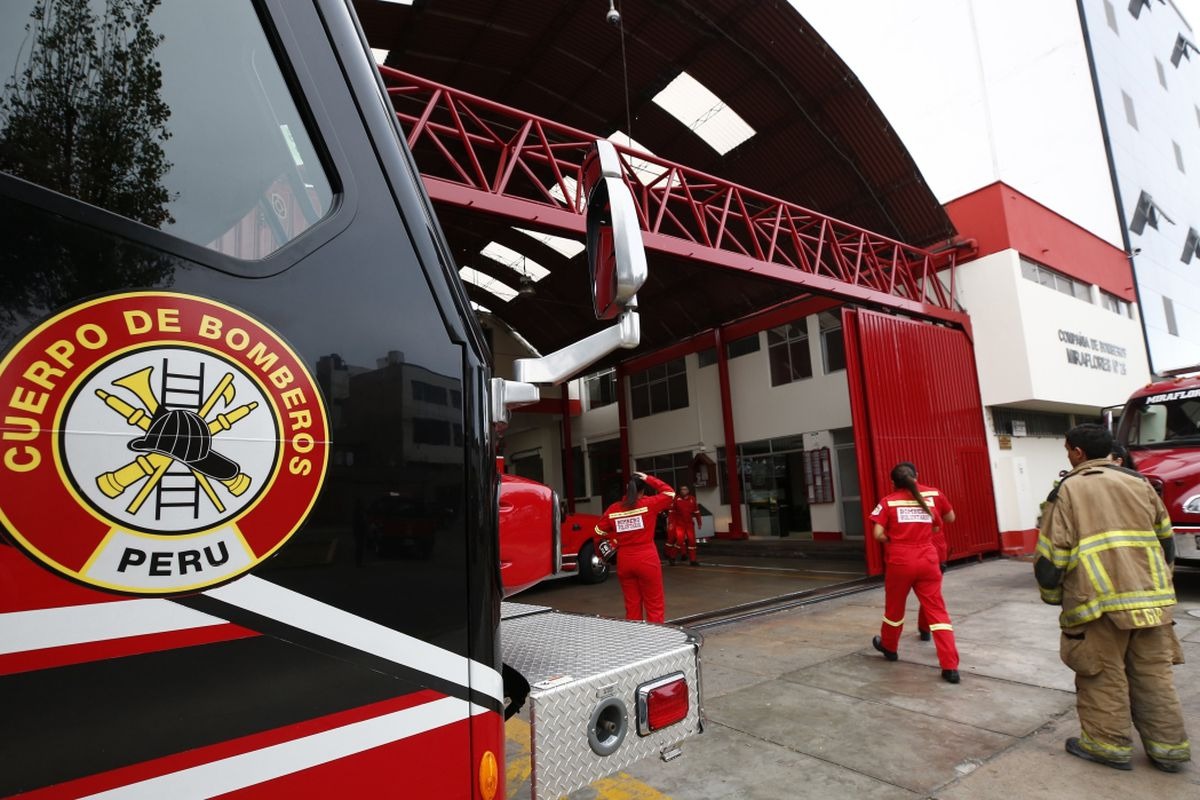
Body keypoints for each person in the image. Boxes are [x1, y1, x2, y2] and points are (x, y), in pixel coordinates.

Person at [1034, 423, 1189, 773]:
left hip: (1098, 607)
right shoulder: (1140, 483)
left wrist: (1052, 595)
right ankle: (1169, 750)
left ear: (1077, 453)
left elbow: (1051, 557)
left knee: (1102, 676)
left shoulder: (1069, 490)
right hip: (1152, 603)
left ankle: (1107, 745)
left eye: (1068, 451)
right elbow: (1166, 541)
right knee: (1154, 677)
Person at [868, 461, 960, 683]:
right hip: (929, 559)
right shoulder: (933, 496)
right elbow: (945, 521)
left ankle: (890, 647)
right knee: (938, 612)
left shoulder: (888, 502)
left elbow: (877, 534)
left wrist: (895, 539)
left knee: (894, 608)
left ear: (893, 483)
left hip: (900, 560)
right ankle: (950, 667)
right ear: (916, 476)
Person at [595, 471, 676, 623]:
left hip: (624, 560)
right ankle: (657, 641)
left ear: (627, 488)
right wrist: (648, 478)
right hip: (647, 559)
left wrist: (603, 553)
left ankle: (635, 641)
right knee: (654, 605)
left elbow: (598, 531)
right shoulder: (649, 505)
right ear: (643, 490)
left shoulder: (613, 509)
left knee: (632, 606)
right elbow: (670, 493)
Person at [665, 483, 702, 566]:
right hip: (679, 524)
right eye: (682, 489)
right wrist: (670, 523)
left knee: (692, 542)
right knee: (679, 542)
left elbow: (697, 512)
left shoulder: (692, 499)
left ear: (688, 491)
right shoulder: (676, 499)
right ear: (680, 491)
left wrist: (699, 522)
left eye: (685, 489)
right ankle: (672, 557)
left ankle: (693, 560)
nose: (683, 491)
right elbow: (671, 513)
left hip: (689, 524)